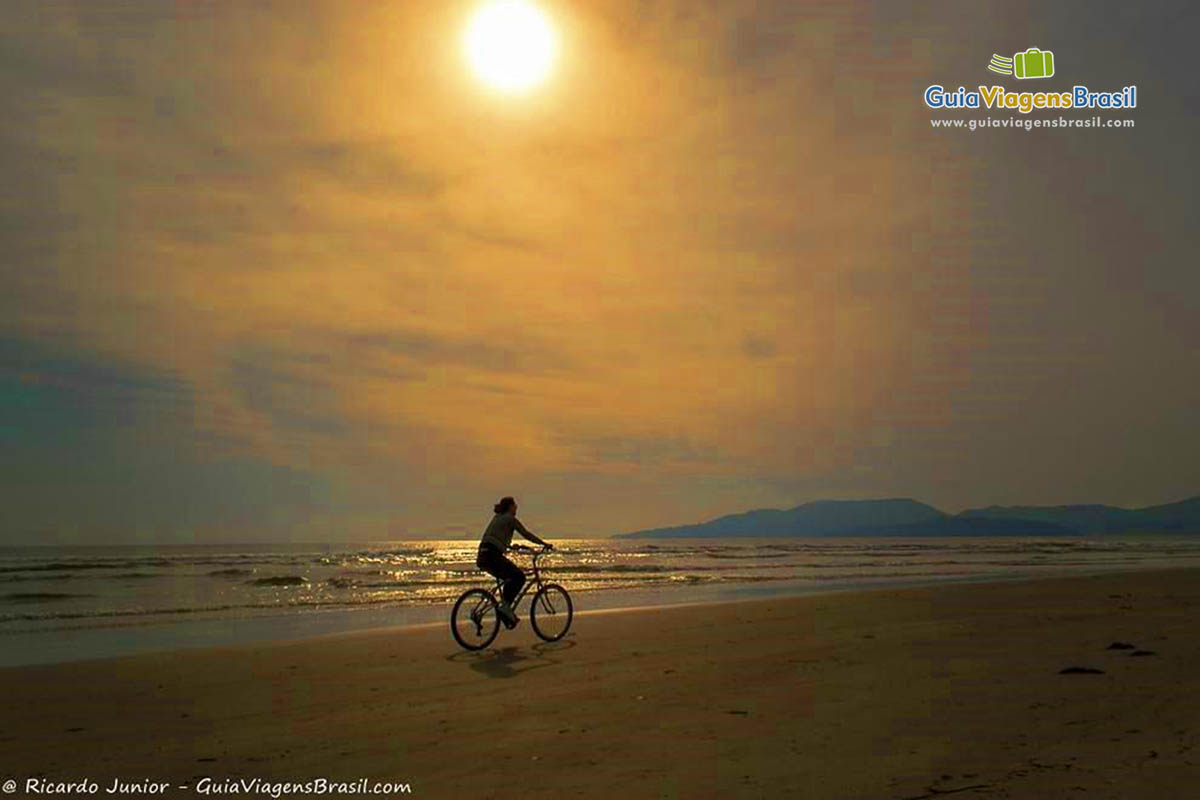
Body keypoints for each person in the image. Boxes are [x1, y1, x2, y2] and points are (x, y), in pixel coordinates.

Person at [476, 496, 551, 628]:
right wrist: (543, 543)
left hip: (483, 555)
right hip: (492, 555)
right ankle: (505, 608)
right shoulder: (510, 519)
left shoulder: (497, 518)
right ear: (510, 506)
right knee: (519, 577)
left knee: (509, 578)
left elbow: (495, 538)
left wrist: (511, 546)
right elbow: (526, 533)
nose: (516, 507)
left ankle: (505, 611)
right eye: (515, 505)